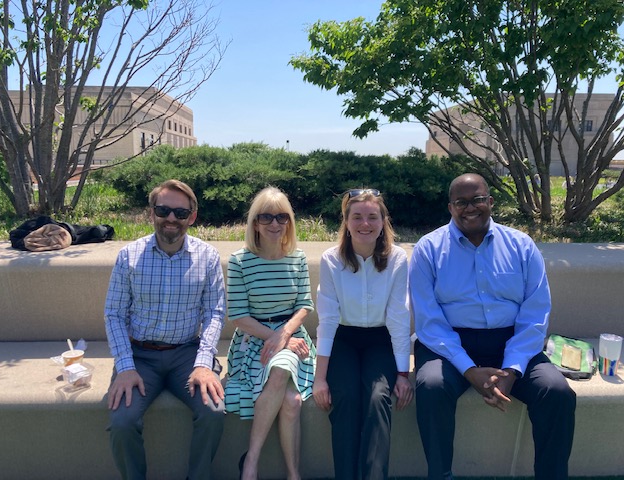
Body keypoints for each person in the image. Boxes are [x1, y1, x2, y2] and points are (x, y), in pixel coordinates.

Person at [409, 173, 576, 480]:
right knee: (431, 386)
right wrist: (469, 370)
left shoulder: (522, 246)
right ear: (450, 207)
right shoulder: (428, 249)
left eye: (477, 199)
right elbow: (429, 321)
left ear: (490, 201)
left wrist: (512, 369)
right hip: (447, 345)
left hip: (511, 342)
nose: (469, 208)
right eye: (461, 202)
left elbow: (535, 314)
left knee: (557, 392)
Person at [104, 179, 226, 480]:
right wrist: (125, 367)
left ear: (192, 217)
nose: (171, 218)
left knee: (213, 411)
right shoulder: (129, 256)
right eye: (163, 210)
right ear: (151, 213)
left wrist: (203, 363)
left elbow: (214, 313)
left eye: (180, 213)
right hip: (139, 356)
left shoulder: (207, 257)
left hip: (187, 353)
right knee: (121, 421)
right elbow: (114, 314)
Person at [314, 188, 413, 480]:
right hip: (343, 339)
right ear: (346, 221)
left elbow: (398, 318)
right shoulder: (331, 260)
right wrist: (320, 379)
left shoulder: (397, 260)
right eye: (356, 216)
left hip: (379, 341)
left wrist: (403, 374)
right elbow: (328, 321)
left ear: (384, 221)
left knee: (377, 397)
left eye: (372, 216)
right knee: (343, 396)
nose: (365, 224)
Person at [225, 186, 316, 480]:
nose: (275, 224)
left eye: (282, 217)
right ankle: (257, 464)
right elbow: (238, 315)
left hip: (293, 337)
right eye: (266, 217)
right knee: (286, 391)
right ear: (255, 223)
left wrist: (285, 335)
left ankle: (281, 471)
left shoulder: (297, 258)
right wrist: (274, 338)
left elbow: (304, 305)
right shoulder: (240, 261)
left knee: (290, 396)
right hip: (255, 340)